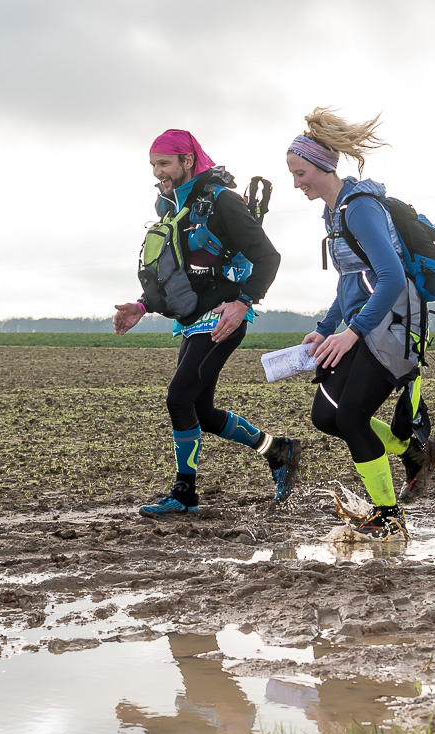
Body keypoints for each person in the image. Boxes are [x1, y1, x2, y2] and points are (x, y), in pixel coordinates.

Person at [114, 129, 300, 518]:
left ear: (188, 160)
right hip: (193, 318)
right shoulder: (171, 207)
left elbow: (269, 257)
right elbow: (177, 273)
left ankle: (184, 493)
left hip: (222, 315)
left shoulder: (223, 201)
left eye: (164, 163)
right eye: (153, 165)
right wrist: (142, 305)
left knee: (179, 398)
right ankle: (278, 450)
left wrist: (244, 302)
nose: (157, 172)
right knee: (201, 409)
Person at [285, 108, 435, 537]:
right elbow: (350, 281)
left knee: (352, 417)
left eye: (300, 173)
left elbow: (390, 277)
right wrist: (325, 327)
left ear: (323, 166)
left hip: (392, 326)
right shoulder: (334, 212)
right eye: (293, 175)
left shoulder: (359, 209)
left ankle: (388, 514)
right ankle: (413, 449)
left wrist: (350, 333)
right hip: (364, 325)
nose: (296, 183)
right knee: (326, 416)